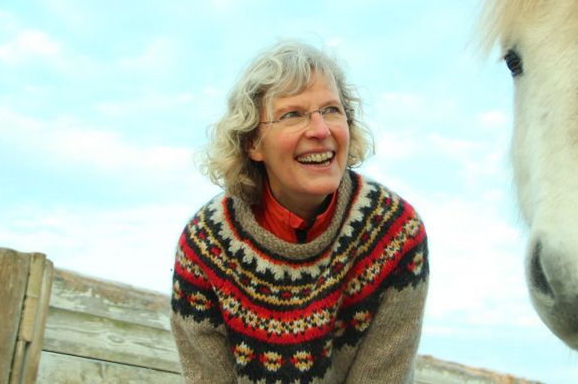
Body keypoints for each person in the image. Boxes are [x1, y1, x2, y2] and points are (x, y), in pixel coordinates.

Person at [170, 39, 429, 383]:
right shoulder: (206, 246)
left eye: (332, 110)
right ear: (252, 143)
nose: (320, 131)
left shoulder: (394, 234)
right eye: (293, 114)